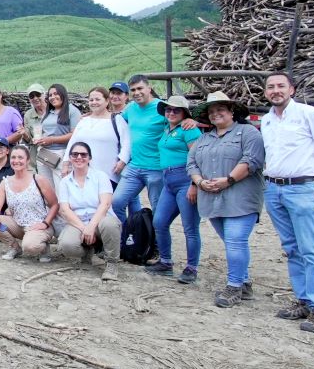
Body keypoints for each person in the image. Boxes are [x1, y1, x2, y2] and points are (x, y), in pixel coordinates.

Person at [260, 72, 314, 333]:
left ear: (292, 89)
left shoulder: (310, 114)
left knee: (310, 249)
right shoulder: (266, 121)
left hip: (301, 188)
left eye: (281, 86)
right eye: (270, 87)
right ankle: (304, 300)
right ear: (265, 93)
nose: (276, 91)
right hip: (274, 189)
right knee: (292, 248)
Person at [188, 91, 265, 308]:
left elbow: (252, 160)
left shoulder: (248, 133)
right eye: (211, 111)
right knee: (232, 242)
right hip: (211, 199)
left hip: (241, 198)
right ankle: (245, 281)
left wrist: (228, 180)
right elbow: (191, 164)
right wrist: (200, 182)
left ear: (232, 111)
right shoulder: (204, 138)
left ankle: (234, 286)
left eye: (220, 109)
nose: (215, 114)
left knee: (235, 240)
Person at [112, 75, 190, 223]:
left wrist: (189, 120)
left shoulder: (162, 108)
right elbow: (115, 122)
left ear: (149, 88)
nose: (137, 92)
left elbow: (178, 119)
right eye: (133, 90)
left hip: (156, 168)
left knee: (157, 211)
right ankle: (128, 238)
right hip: (134, 166)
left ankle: (155, 244)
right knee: (116, 203)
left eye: (140, 88)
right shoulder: (131, 109)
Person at [146, 96, 202, 282]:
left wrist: (195, 184)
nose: (171, 113)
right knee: (159, 221)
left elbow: (198, 158)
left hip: (185, 180)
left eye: (176, 110)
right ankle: (166, 261)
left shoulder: (189, 130)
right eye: (168, 109)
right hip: (168, 181)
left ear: (184, 113)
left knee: (190, 227)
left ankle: (192, 267)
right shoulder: (167, 128)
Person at [56, 141, 123, 281]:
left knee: (110, 225)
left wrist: (91, 226)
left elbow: (105, 204)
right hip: (78, 221)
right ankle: (87, 251)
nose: (79, 157)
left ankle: (111, 263)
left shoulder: (101, 176)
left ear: (90, 158)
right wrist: (84, 228)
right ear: (70, 157)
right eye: (75, 154)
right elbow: (65, 210)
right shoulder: (65, 182)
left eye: (83, 154)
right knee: (66, 245)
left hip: (101, 220)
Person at [0, 145, 59, 261]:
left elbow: (55, 204)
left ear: (28, 160)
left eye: (20, 158)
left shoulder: (38, 179)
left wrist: (45, 223)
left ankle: (43, 247)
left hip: (38, 225)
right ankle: (14, 247)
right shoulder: (5, 182)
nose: (16, 161)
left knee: (29, 247)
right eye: (13, 157)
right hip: (18, 224)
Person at [66, 87, 131, 189]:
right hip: (84, 172)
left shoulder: (117, 120)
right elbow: (72, 143)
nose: (94, 102)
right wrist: (66, 164)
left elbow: (127, 143)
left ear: (107, 101)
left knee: (109, 203)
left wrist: (122, 161)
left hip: (109, 173)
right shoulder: (84, 121)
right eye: (91, 100)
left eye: (97, 99)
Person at [33, 83, 80, 174]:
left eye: (55, 94)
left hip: (61, 154)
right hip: (44, 153)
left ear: (63, 94)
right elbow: (43, 131)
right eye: (50, 95)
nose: (52, 97)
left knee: (60, 185)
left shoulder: (72, 111)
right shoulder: (49, 112)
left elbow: (74, 134)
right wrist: (38, 139)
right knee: (45, 186)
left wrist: (52, 140)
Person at [21, 83, 48, 172]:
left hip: (52, 152)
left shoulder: (52, 111)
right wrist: (24, 134)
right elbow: (28, 140)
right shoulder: (28, 115)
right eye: (32, 96)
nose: (35, 98)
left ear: (44, 95)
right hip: (35, 154)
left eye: (38, 95)